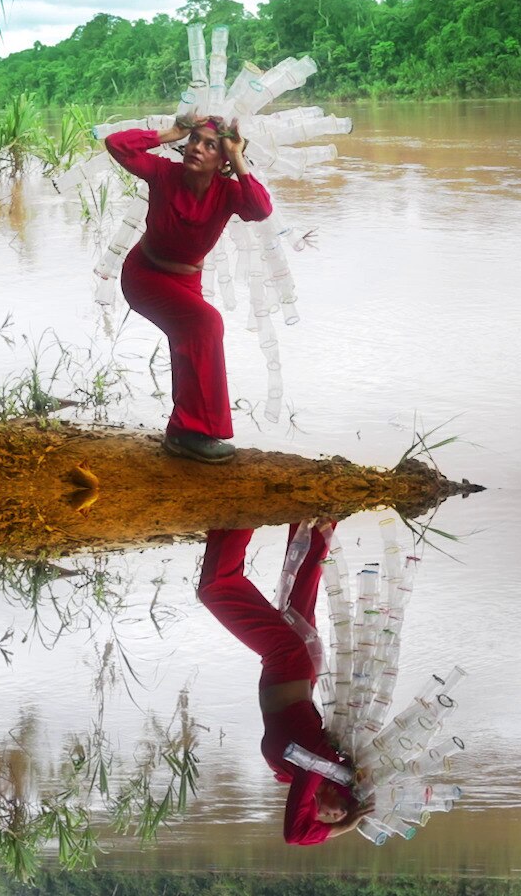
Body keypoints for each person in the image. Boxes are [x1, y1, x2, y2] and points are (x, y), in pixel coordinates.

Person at [104, 115, 272, 464]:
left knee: (190, 344)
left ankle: (187, 431)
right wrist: (170, 133)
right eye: (194, 139)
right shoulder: (164, 174)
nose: (197, 147)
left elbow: (260, 209)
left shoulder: (226, 193)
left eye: (210, 145)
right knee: (206, 324)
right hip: (145, 275)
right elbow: (116, 145)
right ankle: (187, 432)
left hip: (186, 281)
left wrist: (238, 156)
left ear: (222, 159)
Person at [198, 523, 374, 844]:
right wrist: (345, 826)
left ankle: (318, 514)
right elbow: (295, 835)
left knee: (301, 586)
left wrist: (346, 814)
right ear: (342, 791)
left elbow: (302, 818)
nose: (331, 816)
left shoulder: (299, 771)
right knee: (216, 588)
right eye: (341, 812)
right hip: (288, 658)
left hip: (295, 664)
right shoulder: (318, 766)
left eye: (336, 817)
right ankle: (242, 509)